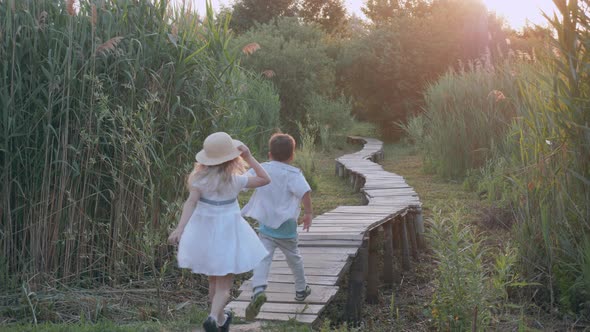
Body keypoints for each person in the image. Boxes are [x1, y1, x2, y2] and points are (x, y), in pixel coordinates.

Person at [168, 132, 271, 332]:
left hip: (204, 234)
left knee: (213, 281)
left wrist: (180, 228)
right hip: (228, 234)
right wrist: (249, 156)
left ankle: (221, 320)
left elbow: (190, 203)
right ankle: (214, 317)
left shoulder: (198, 180)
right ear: (233, 158)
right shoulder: (236, 180)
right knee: (224, 286)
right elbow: (264, 179)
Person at [241, 133, 313, 321]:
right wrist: (308, 213)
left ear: (269, 153)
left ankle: (258, 290)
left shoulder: (262, 169)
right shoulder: (293, 174)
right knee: (294, 258)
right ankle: (301, 289)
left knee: (263, 259)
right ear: (292, 155)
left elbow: (243, 182)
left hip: (266, 226)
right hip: (287, 227)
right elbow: (305, 192)